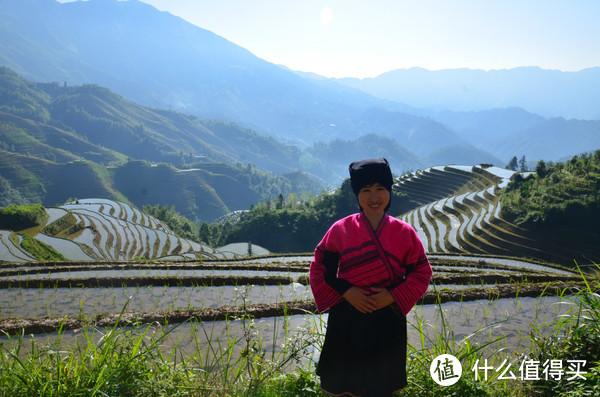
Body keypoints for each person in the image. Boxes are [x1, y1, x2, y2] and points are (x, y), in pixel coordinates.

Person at [309, 158, 432, 396]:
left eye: (380, 189)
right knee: (340, 387)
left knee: (381, 387)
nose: (374, 197)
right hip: (346, 318)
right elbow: (321, 268)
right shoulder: (340, 230)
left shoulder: (404, 233)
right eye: (366, 190)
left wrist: (394, 296)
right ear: (357, 194)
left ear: (389, 191)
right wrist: (347, 292)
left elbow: (421, 271)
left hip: (387, 319)